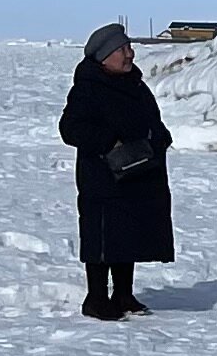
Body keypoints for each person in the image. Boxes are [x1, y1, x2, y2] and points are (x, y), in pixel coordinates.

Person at [57, 22, 173, 319]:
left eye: (129, 47)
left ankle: (123, 295)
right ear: (104, 56)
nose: (130, 54)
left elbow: (152, 120)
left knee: (128, 232)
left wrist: (160, 138)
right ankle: (96, 299)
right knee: (103, 235)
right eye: (122, 49)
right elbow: (70, 128)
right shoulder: (88, 88)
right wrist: (109, 142)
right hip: (103, 178)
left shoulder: (135, 85)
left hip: (137, 173)